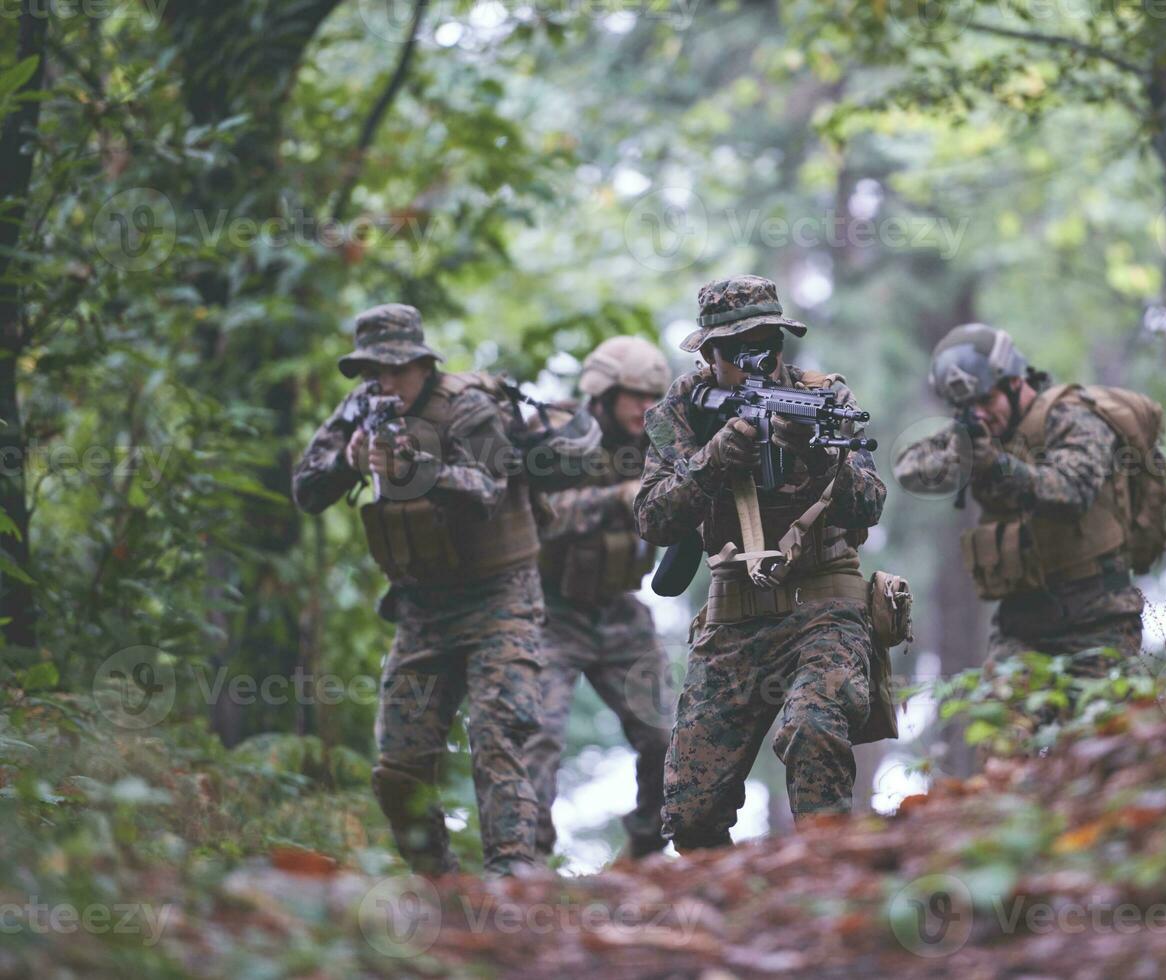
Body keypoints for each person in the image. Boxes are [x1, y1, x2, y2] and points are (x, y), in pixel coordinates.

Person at [634, 275, 887, 852]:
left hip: (825, 606)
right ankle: (727, 924)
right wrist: (714, 459)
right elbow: (652, 519)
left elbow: (871, 504)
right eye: (740, 350)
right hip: (734, 618)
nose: (760, 362)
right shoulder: (683, 406)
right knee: (692, 813)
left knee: (813, 729)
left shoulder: (823, 397)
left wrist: (817, 457)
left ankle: (829, 882)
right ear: (710, 355)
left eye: (771, 345)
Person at [292, 303, 545, 877]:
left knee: (498, 734)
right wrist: (347, 461)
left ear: (422, 364)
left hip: (499, 597)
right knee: (400, 765)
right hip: (422, 606)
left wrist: (417, 467)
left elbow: (487, 489)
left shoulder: (468, 406)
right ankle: (439, 885)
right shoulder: (360, 410)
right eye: (369, 371)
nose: (382, 382)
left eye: (395, 369)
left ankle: (513, 879)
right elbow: (306, 490)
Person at [894, 323, 1147, 673]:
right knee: (998, 724)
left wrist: (997, 466)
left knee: (1103, 726)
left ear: (1015, 383)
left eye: (986, 400)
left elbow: (1071, 491)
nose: (979, 413)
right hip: (1021, 627)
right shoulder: (979, 432)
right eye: (967, 406)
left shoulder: (1072, 417)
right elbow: (908, 469)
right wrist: (960, 454)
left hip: (1099, 620)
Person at [524, 336, 674, 861]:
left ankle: (647, 853)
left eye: (653, 396)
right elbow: (538, 512)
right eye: (635, 395)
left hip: (620, 608)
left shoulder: (661, 438)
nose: (645, 407)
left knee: (664, 734)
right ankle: (528, 862)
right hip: (550, 611)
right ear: (604, 392)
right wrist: (616, 497)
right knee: (535, 735)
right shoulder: (557, 433)